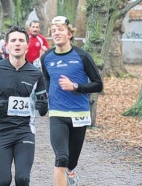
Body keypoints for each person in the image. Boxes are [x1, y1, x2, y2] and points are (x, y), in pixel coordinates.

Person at [0, 26, 48, 186]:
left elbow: (42, 105)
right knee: (2, 181)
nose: (17, 43)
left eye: (21, 40)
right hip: (0, 131)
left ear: (27, 45)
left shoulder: (36, 73)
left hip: (25, 131)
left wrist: (43, 107)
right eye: (13, 40)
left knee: (22, 179)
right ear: (7, 45)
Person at [40, 16, 103, 186]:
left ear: (69, 34)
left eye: (60, 30)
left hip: (79, 114)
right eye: (53, 31)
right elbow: (46, 78)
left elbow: (98, 85)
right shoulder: (46, 58)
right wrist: (46, 92)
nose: (56, 33)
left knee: (71, 160)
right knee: (61, 158)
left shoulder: (82, 56)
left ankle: (72, 171)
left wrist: (75, 86)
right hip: (57, 113)